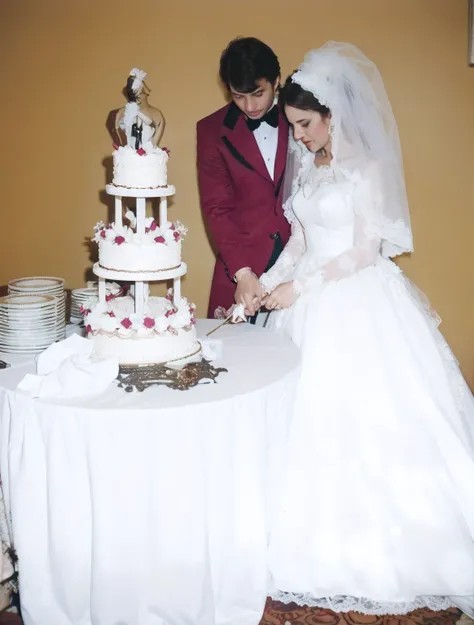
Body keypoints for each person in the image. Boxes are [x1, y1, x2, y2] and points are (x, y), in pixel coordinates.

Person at [259, 41, 474, 616]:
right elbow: (300, 241)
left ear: (332, 114)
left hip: (354, 303)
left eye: (305, 125)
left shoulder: (368, 170)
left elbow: (363, 250)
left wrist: (299, 288)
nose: (298, 136)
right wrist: (264, 279)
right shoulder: (308, 166)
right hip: (303, 302)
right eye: (294, 126)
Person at [197, 37, 291, 321]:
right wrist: (242, 272)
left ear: (276, 81)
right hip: (241, 270)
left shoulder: (302, 116)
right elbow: (217, 208)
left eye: (257, 93)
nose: (250, 106)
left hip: (299, 266)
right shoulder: (211, 130)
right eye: (238, 96)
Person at [115, 68, 164, 149]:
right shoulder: (156, 113)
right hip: (129, 157)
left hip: (148, 158)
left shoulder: (156, 113)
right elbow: (120, 136)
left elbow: (154, 143)